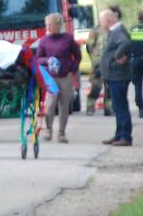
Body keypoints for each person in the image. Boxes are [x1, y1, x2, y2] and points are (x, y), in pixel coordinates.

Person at [36, 13, 82, 143]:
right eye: (47, 25)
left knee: (64, 105)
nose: (48, 27)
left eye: (50, 25)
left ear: (58, 25)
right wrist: (48, 60)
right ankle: (48, 129)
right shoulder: (44, 40)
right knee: (50, 104)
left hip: (66, 77)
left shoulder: (68, 38)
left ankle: (62, 132)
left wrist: (72, 69)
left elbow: (77, 56)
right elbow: (38, 59)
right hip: (51, 77)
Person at [99, 7, 133, 146]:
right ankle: (119, 135)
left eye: (101, 21)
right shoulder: (115, 31)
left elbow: (125, 43)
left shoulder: (118, 31)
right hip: (114, 75)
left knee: (120, 106)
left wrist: (116, 57)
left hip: (118, 75)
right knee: (117, 106)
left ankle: (125, 136)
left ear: (108, 20)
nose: (101, 24)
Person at [84, 18, 110, 117]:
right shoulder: (95, 31)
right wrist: (94, 60)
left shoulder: (112, 31)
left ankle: (109, 109)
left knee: (109, 88)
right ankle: (90, 108)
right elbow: (88, 46)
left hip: (110, 64)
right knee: (95, 87)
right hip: (97, 64)